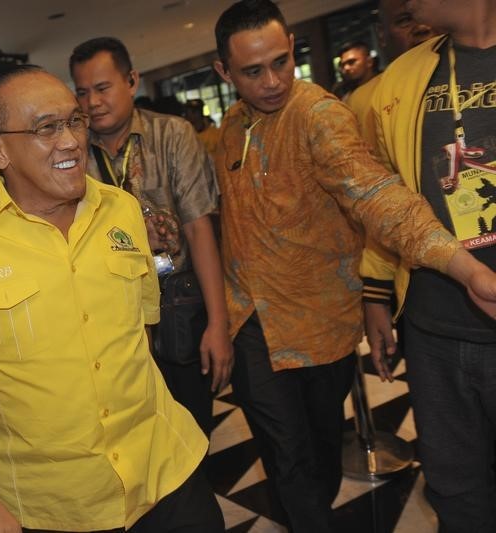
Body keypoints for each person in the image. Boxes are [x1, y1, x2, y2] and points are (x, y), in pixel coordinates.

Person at [0, 65, 224, 533]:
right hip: (55, 505)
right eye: (47, 128)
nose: (70, 141)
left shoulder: (120, 209)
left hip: (165, 471)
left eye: (74, 121)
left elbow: (140, 333)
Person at [212, 1, 496, 531]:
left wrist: (462, 266)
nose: (273, 81)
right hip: (249, 323)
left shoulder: (318, 115)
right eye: (253, 71)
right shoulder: (231, 124)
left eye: (282, 61)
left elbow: (378, 196)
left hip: (316, 329)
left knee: (315, 458)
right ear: (223, 73)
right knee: (288, 460)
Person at [362, 0, 496, 530]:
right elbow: (385, 195)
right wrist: (376, 291)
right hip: (432, 327)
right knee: (455, 487)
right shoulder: (401, 78)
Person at [69, 36, 231, 436]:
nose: (93, 103)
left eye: (103, 88)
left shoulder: (171, 135)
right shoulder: (73, 153)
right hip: (112, 320)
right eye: (83, 93)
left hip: (179, 306)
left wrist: (219, 323)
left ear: (132, 81)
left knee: (191, 431)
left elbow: (199, 229)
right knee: (136, 437)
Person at [346, 0, 437, 138]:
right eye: (405, 20)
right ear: (381, 34)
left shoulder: (473, 74)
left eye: (431, 14)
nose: (422, 27)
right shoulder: (362, 102)